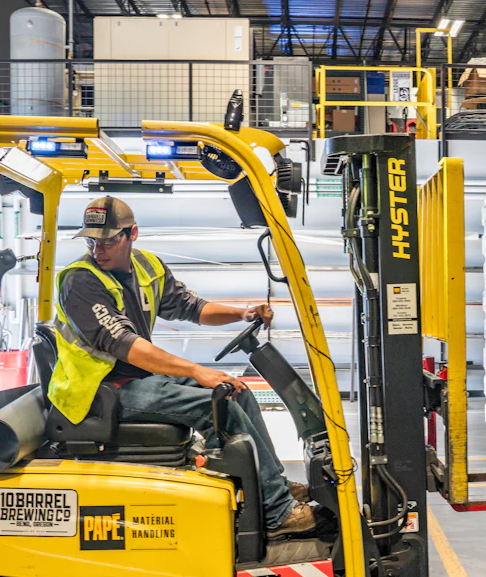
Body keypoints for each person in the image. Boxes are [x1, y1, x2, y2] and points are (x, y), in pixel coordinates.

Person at [47, 196, 316, 537]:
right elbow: (126, 346)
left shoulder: (147, 267)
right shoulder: (80, 282)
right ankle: (277, 512)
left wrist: (241, 313)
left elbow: (192, 307)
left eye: (109, 240)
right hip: (99, 393)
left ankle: (272, 486)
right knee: (217, 406)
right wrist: (195, 371)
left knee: (237, 392)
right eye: (92, 240)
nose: (98, 249)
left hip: (134, 379)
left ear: (133, 234)